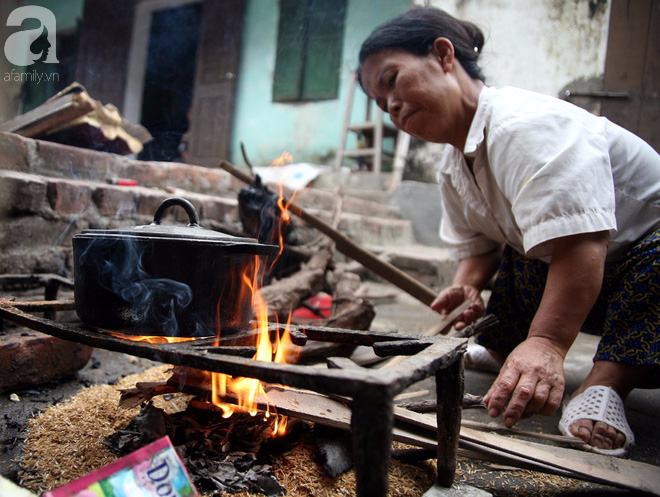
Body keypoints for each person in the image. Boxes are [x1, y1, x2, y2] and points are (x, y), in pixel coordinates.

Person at [358, 6, 660, 456]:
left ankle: (607, 384)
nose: (392, 107)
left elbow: (583, 241)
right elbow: (480, 245)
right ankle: (502, 348)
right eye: (381, 104)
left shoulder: (526, 125)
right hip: (599, 281)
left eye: (392, 80)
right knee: (526, 241)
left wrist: (547, 343)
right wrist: (466, 286)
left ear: (443, 55)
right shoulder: (452, 162)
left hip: (641, 280)